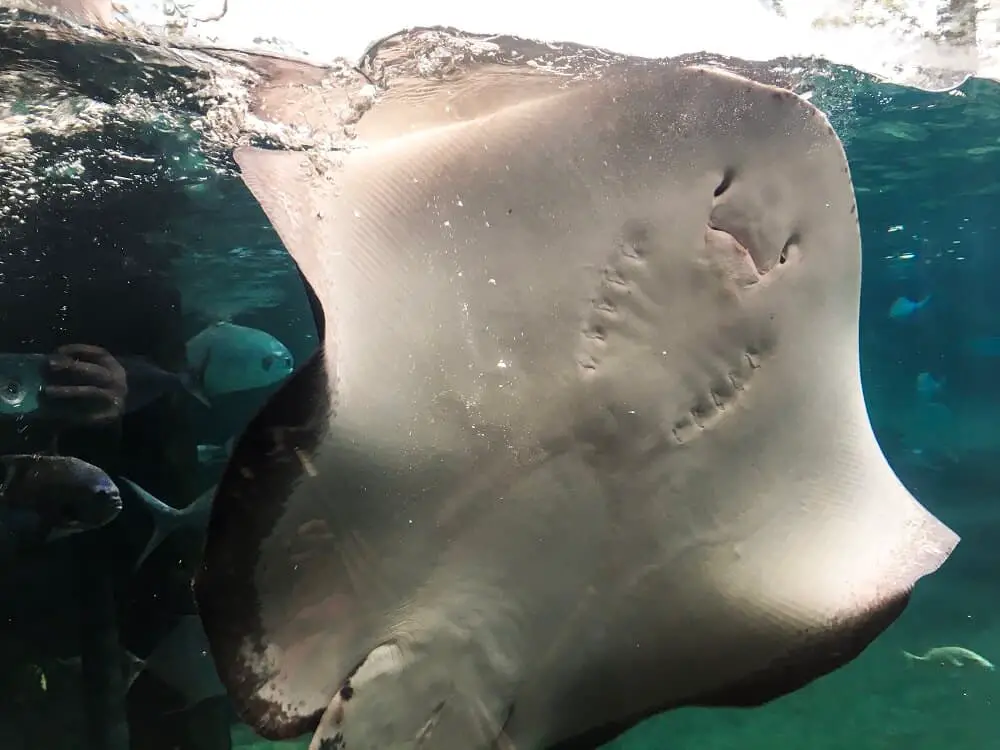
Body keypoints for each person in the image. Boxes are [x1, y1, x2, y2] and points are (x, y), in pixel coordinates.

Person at [0, 189, 233, 750]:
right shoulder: (140, 280)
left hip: (120, 546)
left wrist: (127, 396)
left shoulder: (143, 293)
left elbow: (172, 432)